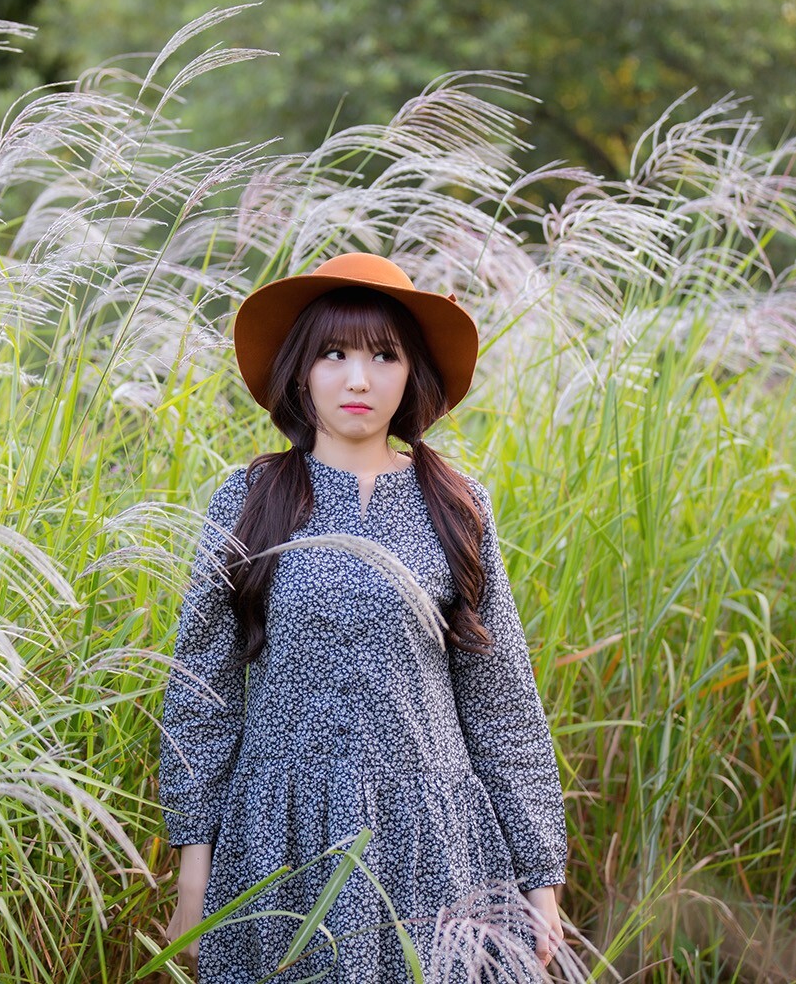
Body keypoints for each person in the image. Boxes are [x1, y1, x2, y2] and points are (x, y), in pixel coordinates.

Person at [158, 252, 570, 981]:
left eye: (384, 356)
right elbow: (202, 693)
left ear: (411, 373)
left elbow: (502, 701)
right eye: (334, 354)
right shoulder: (248, 501)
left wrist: (542, 879)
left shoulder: (456, 506)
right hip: (281, 841)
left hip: (435, 845)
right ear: (299, 370)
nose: (358, 378)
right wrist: (196, 871)